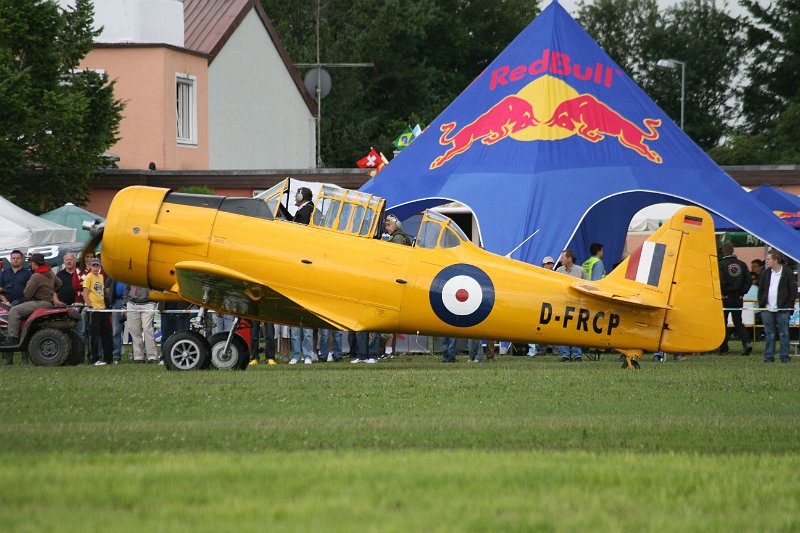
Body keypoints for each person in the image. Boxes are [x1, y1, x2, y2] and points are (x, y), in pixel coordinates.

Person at [3, 253, 61, 347]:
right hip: (49, 303)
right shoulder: (50, 273)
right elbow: (59, 284)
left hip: (40, 302)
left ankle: (12, 338)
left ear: (34, 263)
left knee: (14, 310)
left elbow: (27, 294)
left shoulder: (36, 276)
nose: (30, 264)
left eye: (30, 262)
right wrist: (49, 291)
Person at [288, 187, 315, 364]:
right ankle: (300, 355)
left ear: (300, 196)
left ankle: (303, 355)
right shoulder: (303, 210)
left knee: (303, 323)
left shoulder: (306, 212)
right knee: (297, 324)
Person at [758, 250, 797, 363]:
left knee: (784, 333)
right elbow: (761, 290)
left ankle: (784, 357)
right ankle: (768, 356)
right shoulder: (765, 273)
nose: (767, 261)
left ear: (775, 260)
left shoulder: (788, 273)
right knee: (769, 333)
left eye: (769, 259)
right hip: (767, 308)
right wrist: (762, 303)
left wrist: (789, 306)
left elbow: (793, 291)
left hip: (783, 309)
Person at [718, 243, 752, 355]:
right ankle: (746, 343)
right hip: (738, 297)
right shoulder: (742, 264)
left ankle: (723, 348)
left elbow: (720, 280)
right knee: (738, 321)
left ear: (723, 251)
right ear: (733, 250)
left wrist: (723, 292)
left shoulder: (721, 265)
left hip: (725, 298)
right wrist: (743, 292)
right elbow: (749, 280)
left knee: (723, 322)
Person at [1, 250, 33, 364]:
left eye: (18, 258)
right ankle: (8, 359)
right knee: (8, 331)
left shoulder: (28, 274)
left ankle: (25, 359)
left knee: (24, 330)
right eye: (13, 258)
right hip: (6, 306)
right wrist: (6, 302)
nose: (15, 260)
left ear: (22, 259)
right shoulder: (4, 273)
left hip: (23, 305)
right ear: (10, 259)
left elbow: (30, 291)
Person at [556, 249, 586, 361]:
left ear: (569, 258)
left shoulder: (580, 271)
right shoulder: (559, 271)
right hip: (563, 304)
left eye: (563, 257)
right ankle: (565, 355)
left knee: (576, 330)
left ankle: (577, 355)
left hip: (577, 304)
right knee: (563, 330)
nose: (561, 259)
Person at [82, 258, 113, 365]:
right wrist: (90, 306)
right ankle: (93, 359)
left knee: (107, 334)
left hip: (102, 309)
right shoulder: (88, 277)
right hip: (94, 310)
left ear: (100, 267)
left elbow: (101, 292)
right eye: (93, 266)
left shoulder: (101, 277)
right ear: (90, 267)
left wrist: (104, 305)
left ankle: (108, 358)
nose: (95, 268)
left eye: (97, 266)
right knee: (94, 335)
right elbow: (85, 293)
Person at [126, 285, 158, 364]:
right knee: (135, 330)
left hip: (148, 303)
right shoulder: (130, 274)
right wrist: (124, 303)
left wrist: (154, 300)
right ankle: (138, 357)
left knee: (147, 329)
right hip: (132, 303)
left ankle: (152, 356)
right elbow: (126, 288)